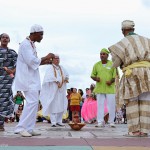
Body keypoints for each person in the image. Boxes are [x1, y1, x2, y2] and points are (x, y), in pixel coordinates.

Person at [108, 20, 150, 137]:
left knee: (132, 100)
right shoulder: (147, 40)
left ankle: (134, 131)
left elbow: (116, 62)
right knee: (146, 101)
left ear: (123, 31)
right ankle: (144, 131)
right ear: (133, 29)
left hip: (132, 73)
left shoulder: (122, 42)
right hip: (147, 73)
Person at [14, 24, 55, 137]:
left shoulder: (31, 45)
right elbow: (31, 61)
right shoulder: (26, 45)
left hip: (32, 78)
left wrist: (44, 62)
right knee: (31, 103)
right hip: (27, 79)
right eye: (40, 34)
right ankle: (20, 127)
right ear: (34, 33)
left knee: (34, 103)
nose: (42, 37)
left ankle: (29, 128)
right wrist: (46, 57)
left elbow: (34, 63)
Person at [40, 54, 69, 127]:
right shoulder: (50, 67)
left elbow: (67, 75)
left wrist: (65, 78)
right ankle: (53, 122)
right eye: (56, 58)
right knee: (54, 105)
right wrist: (56, 80)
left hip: (61, 90)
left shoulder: (61, 67)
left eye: (58, 58)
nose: (57, 60)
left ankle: (59, 121)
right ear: (52, 60)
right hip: (53, 90)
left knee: (61, 105)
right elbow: (48, 77)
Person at [91, 48, 116, 128]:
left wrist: (111, 81)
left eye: (103, 54)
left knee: (111, 105)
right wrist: (96, 78)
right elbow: (92, 75)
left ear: (107, 55)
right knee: (100, 105)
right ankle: (100, 122)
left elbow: (115, 76)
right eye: (101, 54)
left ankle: (111, 122)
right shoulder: (96, 65)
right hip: (100, 88)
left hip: (110, 88)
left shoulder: (112, 64)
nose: (102, 55)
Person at [0, 33, 17, 131]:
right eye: (3, 37)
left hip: (6, 81)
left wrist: (12, 71)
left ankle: (1, 124)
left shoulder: (12, 52)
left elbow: (18, 65)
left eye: (7, 37)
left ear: (9, 40)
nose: (5, 39)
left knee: (4, 102)